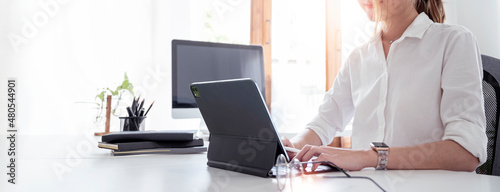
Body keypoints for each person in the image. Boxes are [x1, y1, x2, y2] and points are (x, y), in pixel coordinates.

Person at [282, 0, 487, 172]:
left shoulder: (453, 41)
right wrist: (292, 148)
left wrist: (368, 157)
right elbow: (324, 122)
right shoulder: (358, 58)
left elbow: (466, 152)